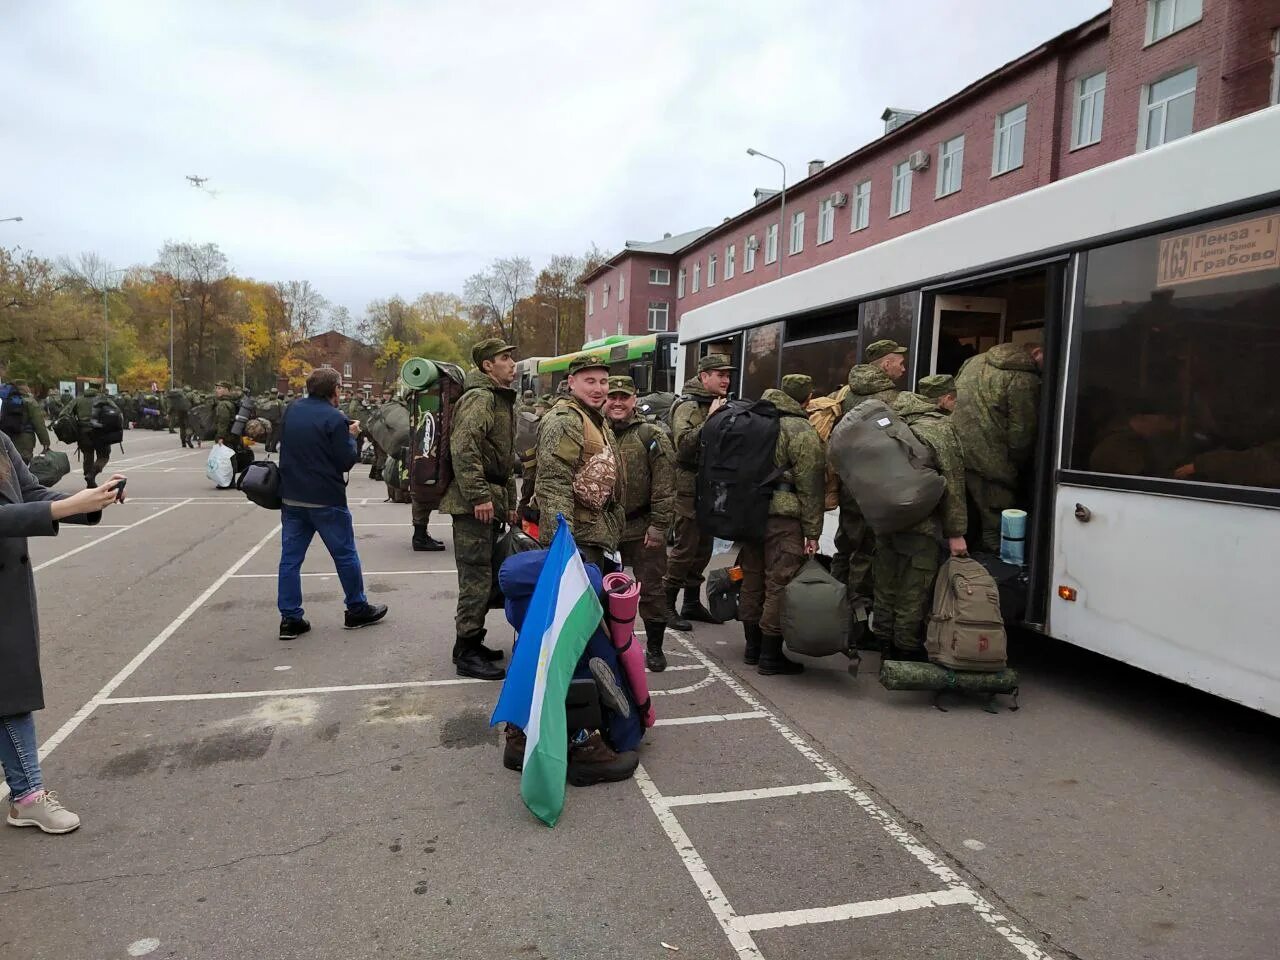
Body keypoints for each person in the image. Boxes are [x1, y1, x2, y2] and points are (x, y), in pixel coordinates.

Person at [1, 431, 127, 833]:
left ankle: (27, 796)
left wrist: (91, 501)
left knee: (11, 692)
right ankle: (27, 795)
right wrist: (69, 505)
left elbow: (31, 493)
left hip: (7, 588)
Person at [277, 367, 388, 640]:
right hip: (325, 499)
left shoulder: (292, 409)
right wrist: (350, 435)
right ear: (335, 390)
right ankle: (356, 608)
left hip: (292, 496)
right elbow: (346, 460)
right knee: (345, 555)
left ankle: (290, 618)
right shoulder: (334, 418)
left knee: (290, 560)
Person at [872, 375, 967, 660]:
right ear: (945, 399)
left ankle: (884, 645)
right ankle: (904, 652)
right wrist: (956, 532)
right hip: (922, 524)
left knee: (887, 584)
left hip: (887, 519)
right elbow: (952, 482)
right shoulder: (938, 429)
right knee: (914, 588)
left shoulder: (893, 423)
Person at [439, 339, 518, 681]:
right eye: (504, 358)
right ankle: (466, 650)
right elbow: (464, 447)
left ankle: (473, 640)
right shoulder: (480, 397)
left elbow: (503, 460)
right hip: (473, 503)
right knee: (475, 576)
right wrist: (478, 496)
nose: (512, 363)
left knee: (484, 574)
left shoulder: (496, 397)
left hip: (488, 497)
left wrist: (509, 504)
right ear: (488, 366)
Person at [736, 376, 825, 675]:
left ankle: (751, 647)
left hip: (748, 511)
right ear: (807, 399)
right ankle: (770, 656)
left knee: (752, 577)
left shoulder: (749, 420)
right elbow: (811, 485)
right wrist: (813, 532)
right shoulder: (800, 429)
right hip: (783, 519)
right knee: (779, 582)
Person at [605, 375, 676, 672]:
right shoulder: (594, 430)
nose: (618, 402)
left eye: (624, 397)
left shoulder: (651, 435)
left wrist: (659, 526)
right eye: (613, 397)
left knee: (652, 590)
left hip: (643, 526)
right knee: (603, 590)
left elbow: (665, 485)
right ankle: (611, 645)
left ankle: (655, 648)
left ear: (635, 400)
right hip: (605, 528)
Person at [831, 340, 907, 607]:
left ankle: (835, 606)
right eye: (900, 363)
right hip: (875, 488)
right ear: (886, 364)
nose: (904, 369)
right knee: (867, 551)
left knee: (845, 547)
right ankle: (858, 623)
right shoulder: (891, 399)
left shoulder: (844, 395)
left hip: (848, 484)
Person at [533, 355, 623, 570]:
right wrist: (562, 542)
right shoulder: (565, 420)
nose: (598, 389)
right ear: (572, 383)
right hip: (577, 540)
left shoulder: (592, 418)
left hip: (592, 535)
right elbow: (554, 484)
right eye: (590, 381)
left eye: (603, 382)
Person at [664, 354, 734, 630]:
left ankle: (691, 603)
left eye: (727, 375)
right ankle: (666, 605)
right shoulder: (688, 406)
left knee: (703, 548)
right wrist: (713, 420)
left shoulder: (712, 403)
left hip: (710, 486)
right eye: (720, 374)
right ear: (704, 377)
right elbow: (684, 446)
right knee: (685, 548)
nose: (726, 380)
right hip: (688, 488)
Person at [951, 343, 1043, 551]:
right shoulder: (1023, 379)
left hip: (957, 449)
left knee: (966, 516)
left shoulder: (974, 361)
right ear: (1036, 353)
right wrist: (1022, 466)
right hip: (993, 462)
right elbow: (1022, 432)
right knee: (997, 526)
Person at [65, 381, 119, 488]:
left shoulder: (78, 399)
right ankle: (92, 474)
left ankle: (89, 480)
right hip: (101, 432)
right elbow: (116, 412)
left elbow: (64, 413)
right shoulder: (104, 399)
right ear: (100, 388)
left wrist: (76, 424)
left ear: (89, 387)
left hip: (83, 432)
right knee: (103, 456)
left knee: (88, 456)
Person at [0, 372, 51, 466]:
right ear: (25, 387)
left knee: (7, 466)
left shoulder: (4, 400)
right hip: (24, 440)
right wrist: (45, 442)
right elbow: (39, 424)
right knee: (21, 467)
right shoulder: (30, 402)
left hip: (5, 437)